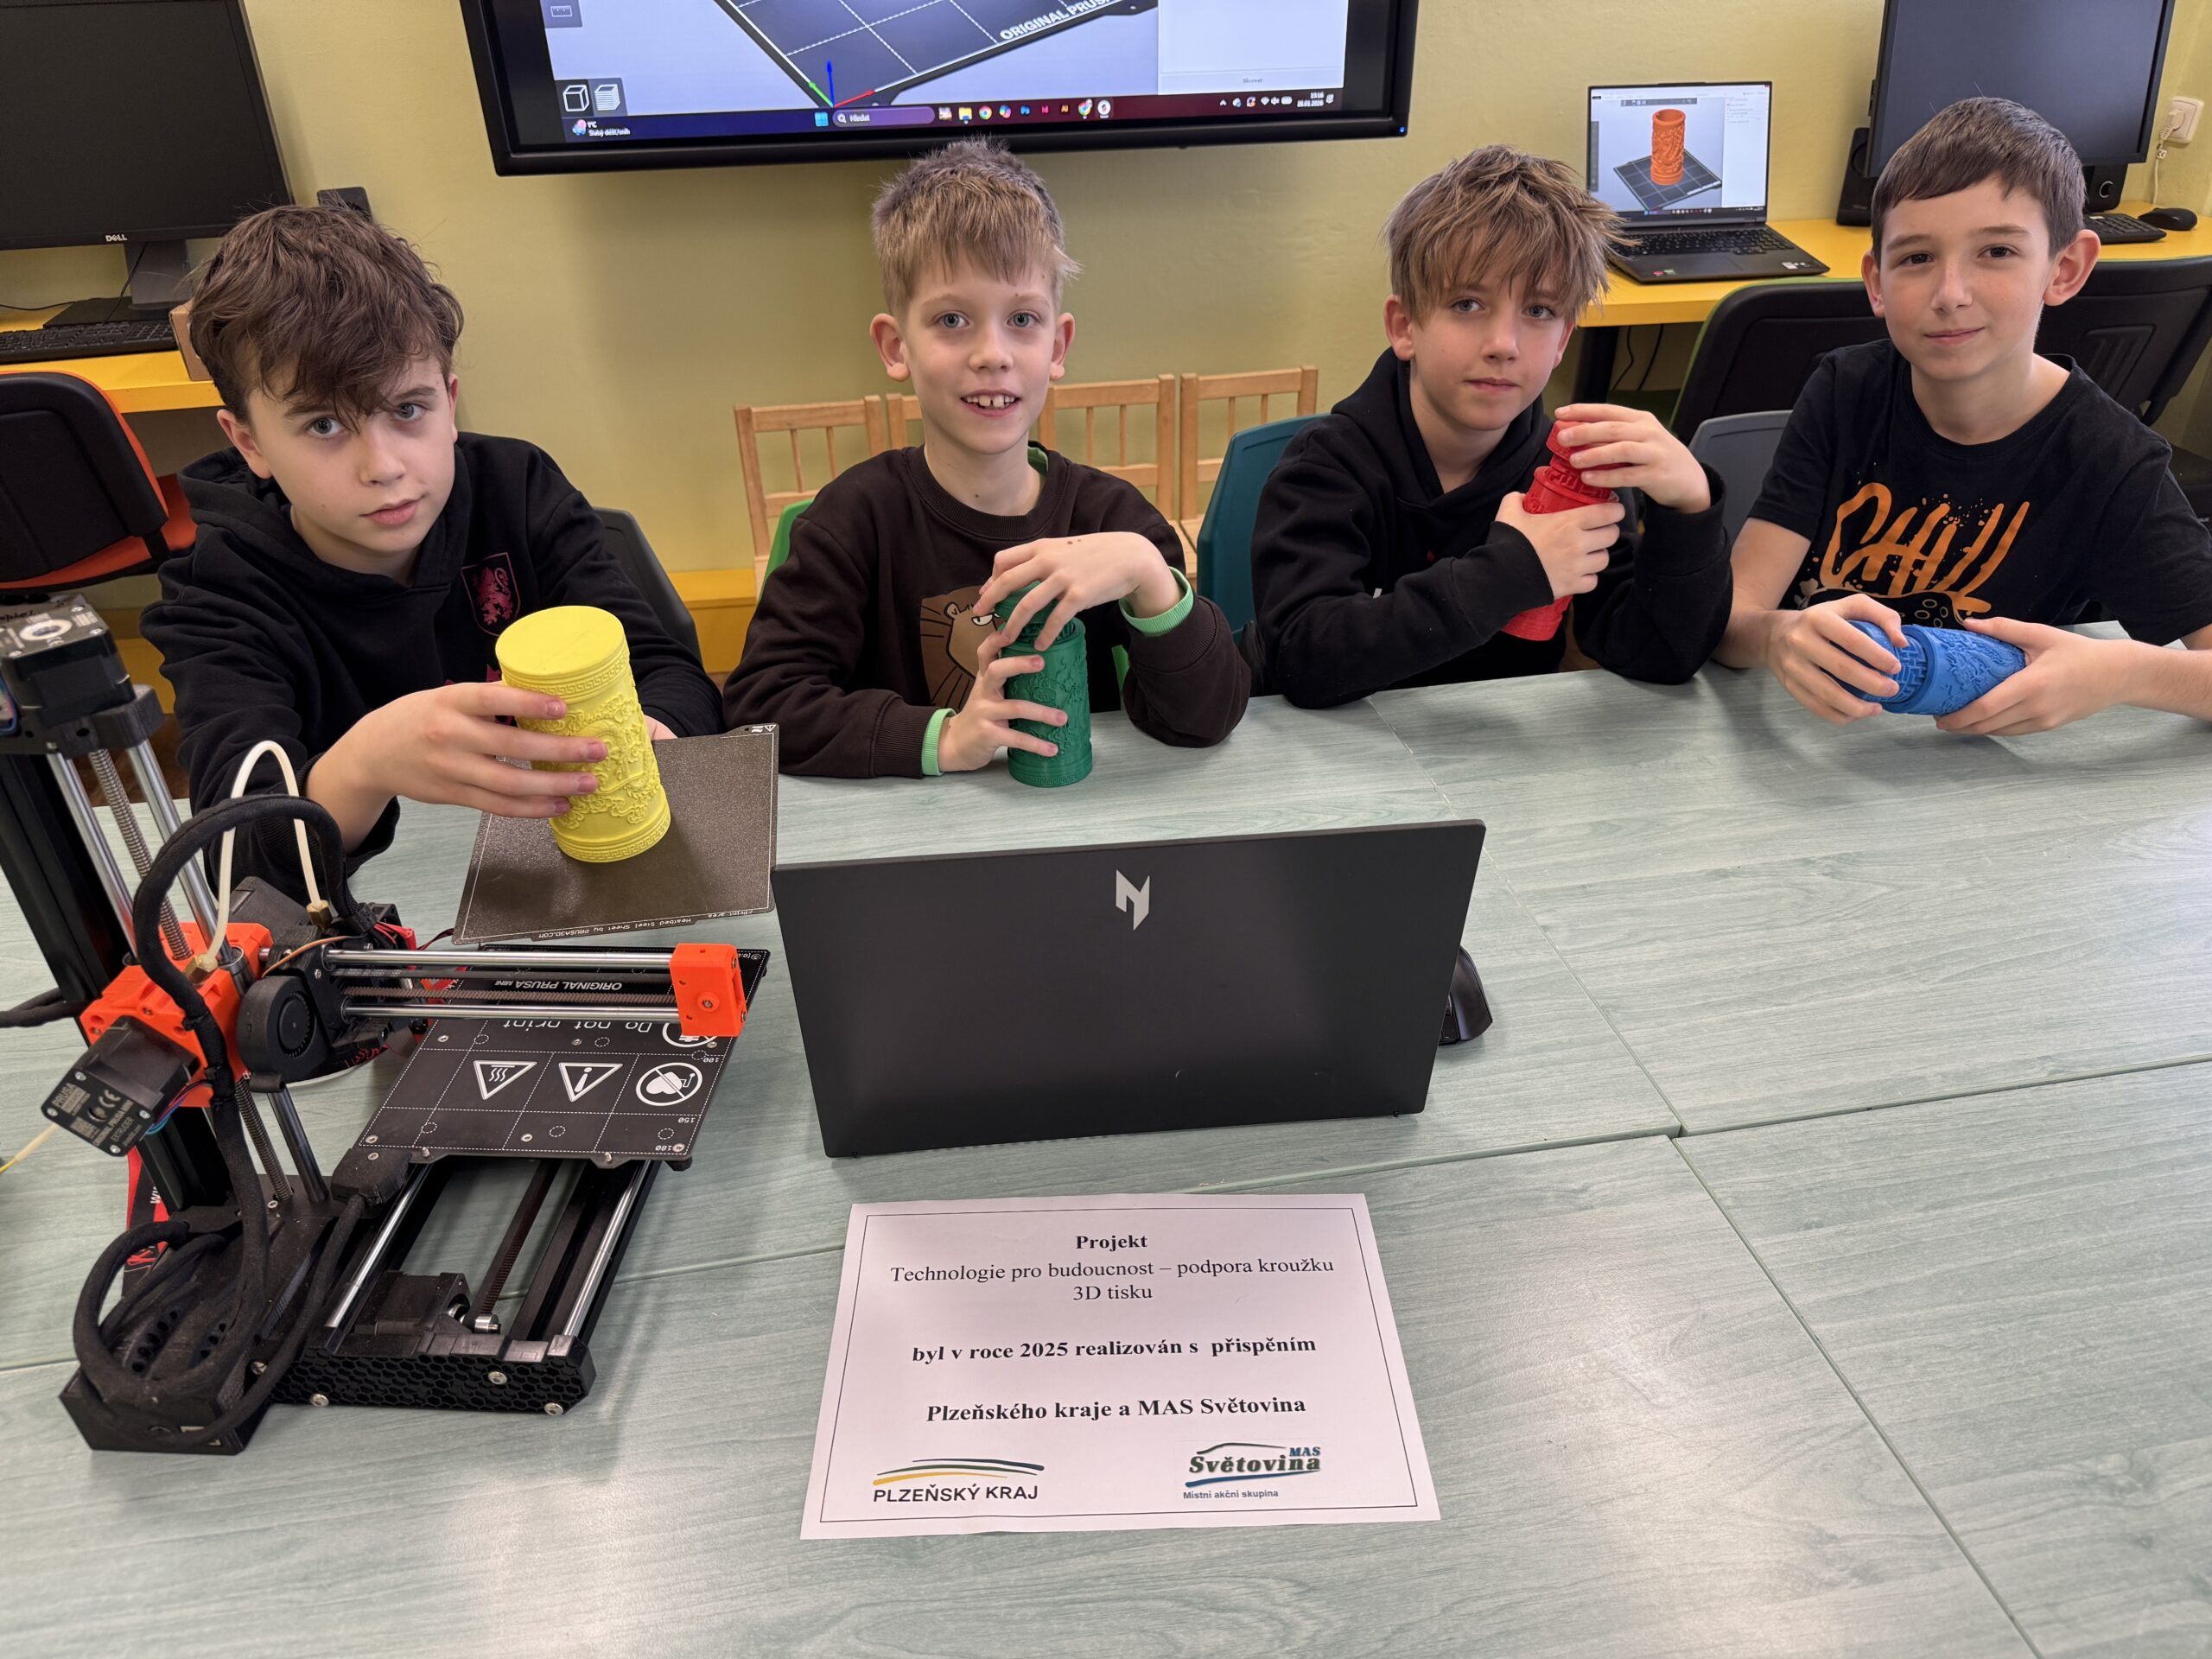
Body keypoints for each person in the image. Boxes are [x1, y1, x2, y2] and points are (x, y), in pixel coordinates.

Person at [144, 203, 718, 893]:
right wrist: (366, 765)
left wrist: (653, 735)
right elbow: (233, 859)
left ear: (449, 402)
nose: (383, 467)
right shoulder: (218, 593)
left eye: (407, 409)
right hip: (383, 905)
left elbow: (670, 675)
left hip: (571, 870)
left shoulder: (517, 488)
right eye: (323, 425)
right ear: (250, 443)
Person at [723, 138, 1248, 775]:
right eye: (951, 320)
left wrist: (1150, 578)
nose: (992, 354)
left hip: (1076, 818)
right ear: (895, 347)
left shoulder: (1114, 520)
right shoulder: (853, 521)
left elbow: (1207, 718)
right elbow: (761, 708)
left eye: (1022, 319)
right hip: (920, 827)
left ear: (1058, 346)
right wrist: (943, 738)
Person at [1716, 97, 2212, 731]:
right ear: (1876, 282)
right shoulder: (1845, 389)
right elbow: (1733, 621)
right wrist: (1777, 636)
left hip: (1982, 768)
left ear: (2064, 269)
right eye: (1916, 258)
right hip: (1823, 738)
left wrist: (2121, 673)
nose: (1950, 295)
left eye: (1997, 251)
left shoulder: (2110, 459)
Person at [1242, 144, 1732, 709]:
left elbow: (1658, 657)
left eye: (1539, 311)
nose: (1504, 344)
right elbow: (1303, 660)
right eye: (1467, 304)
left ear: (1563, 341)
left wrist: (1690, 511)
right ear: (1405, 326)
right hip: (1333, 749)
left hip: (1494, 749)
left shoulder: (1576, 473)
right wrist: (1512, 572)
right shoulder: (1327, 467)